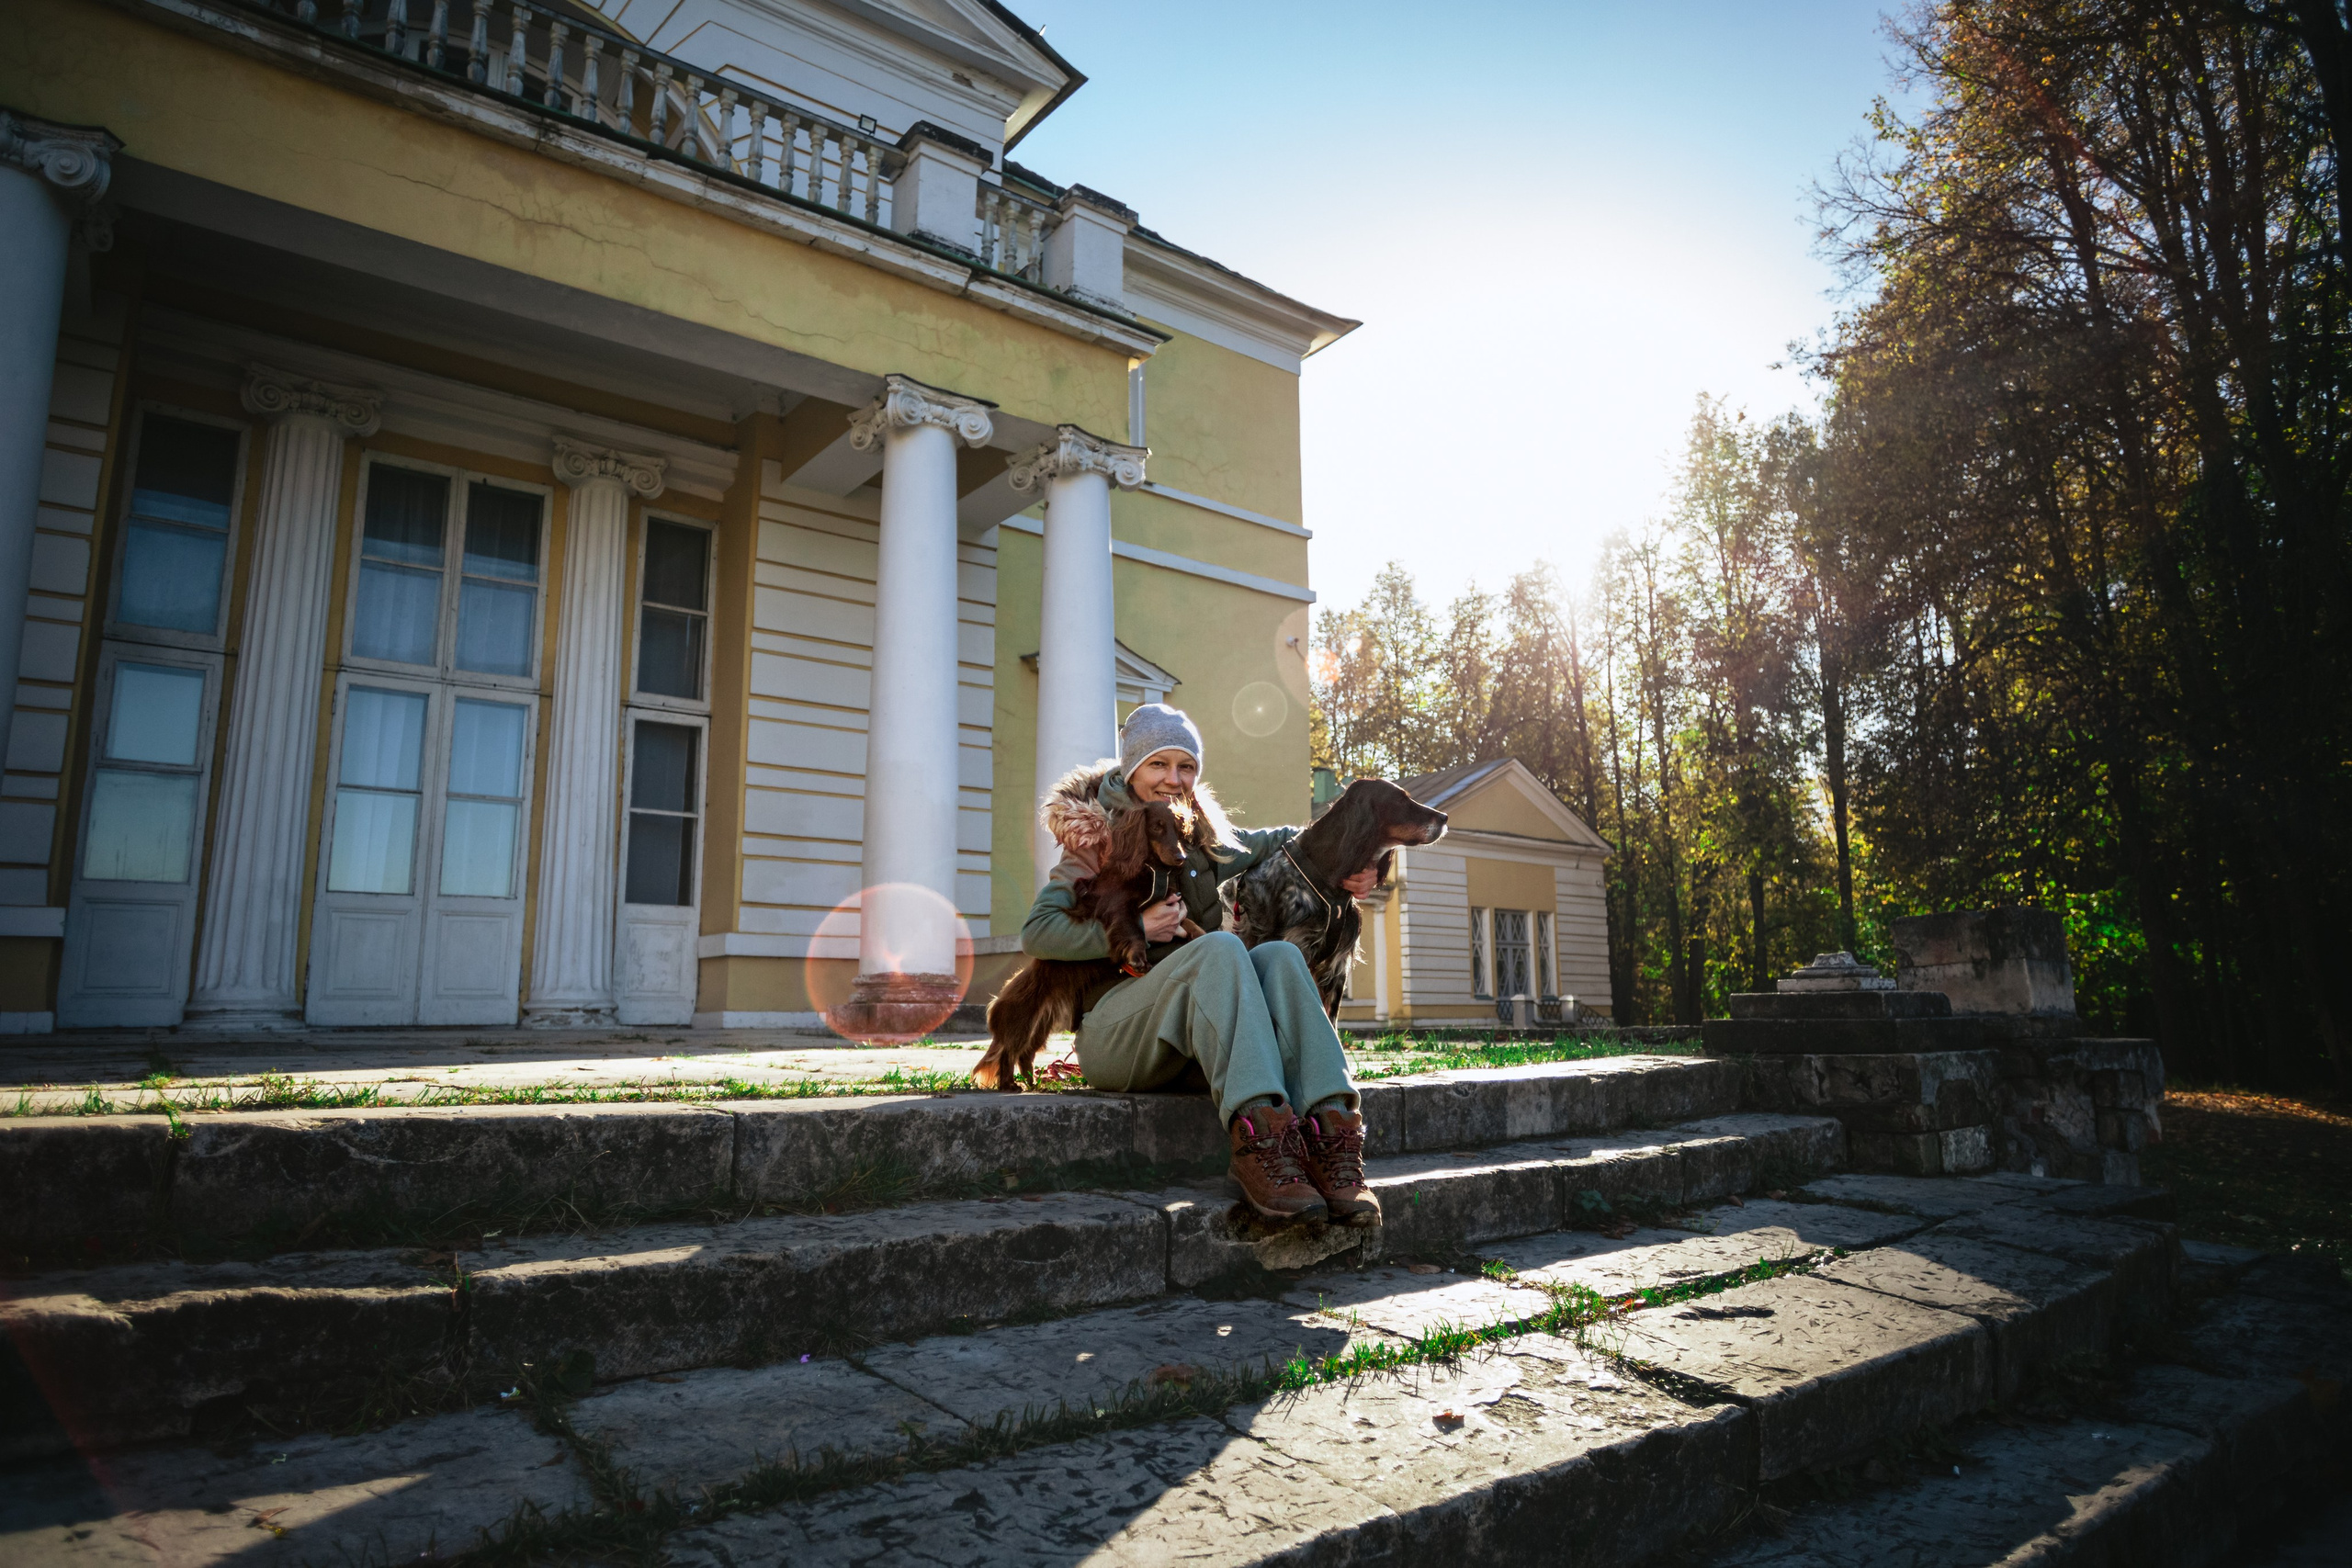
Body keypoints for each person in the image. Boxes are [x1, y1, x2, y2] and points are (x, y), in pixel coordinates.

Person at [1022, 705, 1381, 1224]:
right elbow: (1038, 932)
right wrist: (1138, 930)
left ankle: (1332, 1136)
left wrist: (1361, 862)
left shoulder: (1200, 841)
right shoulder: (1096, 839)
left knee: (1278, 956)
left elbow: (1287, 840)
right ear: (1130, 769)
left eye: (1185, 766)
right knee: (1218, 947)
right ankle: (1261, 1144)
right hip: (1116, 1033)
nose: (1173, 779)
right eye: (1158, 765)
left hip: (1194, 1035)